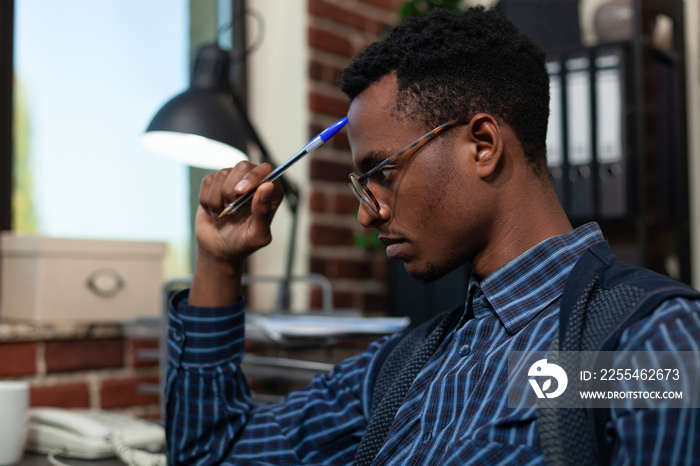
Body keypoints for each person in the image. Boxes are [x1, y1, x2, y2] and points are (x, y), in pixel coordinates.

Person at [165, 6, 700, 465]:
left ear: (483, 145)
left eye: (384, 172)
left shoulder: (644, 351)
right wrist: (217, 260)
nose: (367, 214)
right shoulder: (402, 368)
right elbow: (212, 454)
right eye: (361, 183)